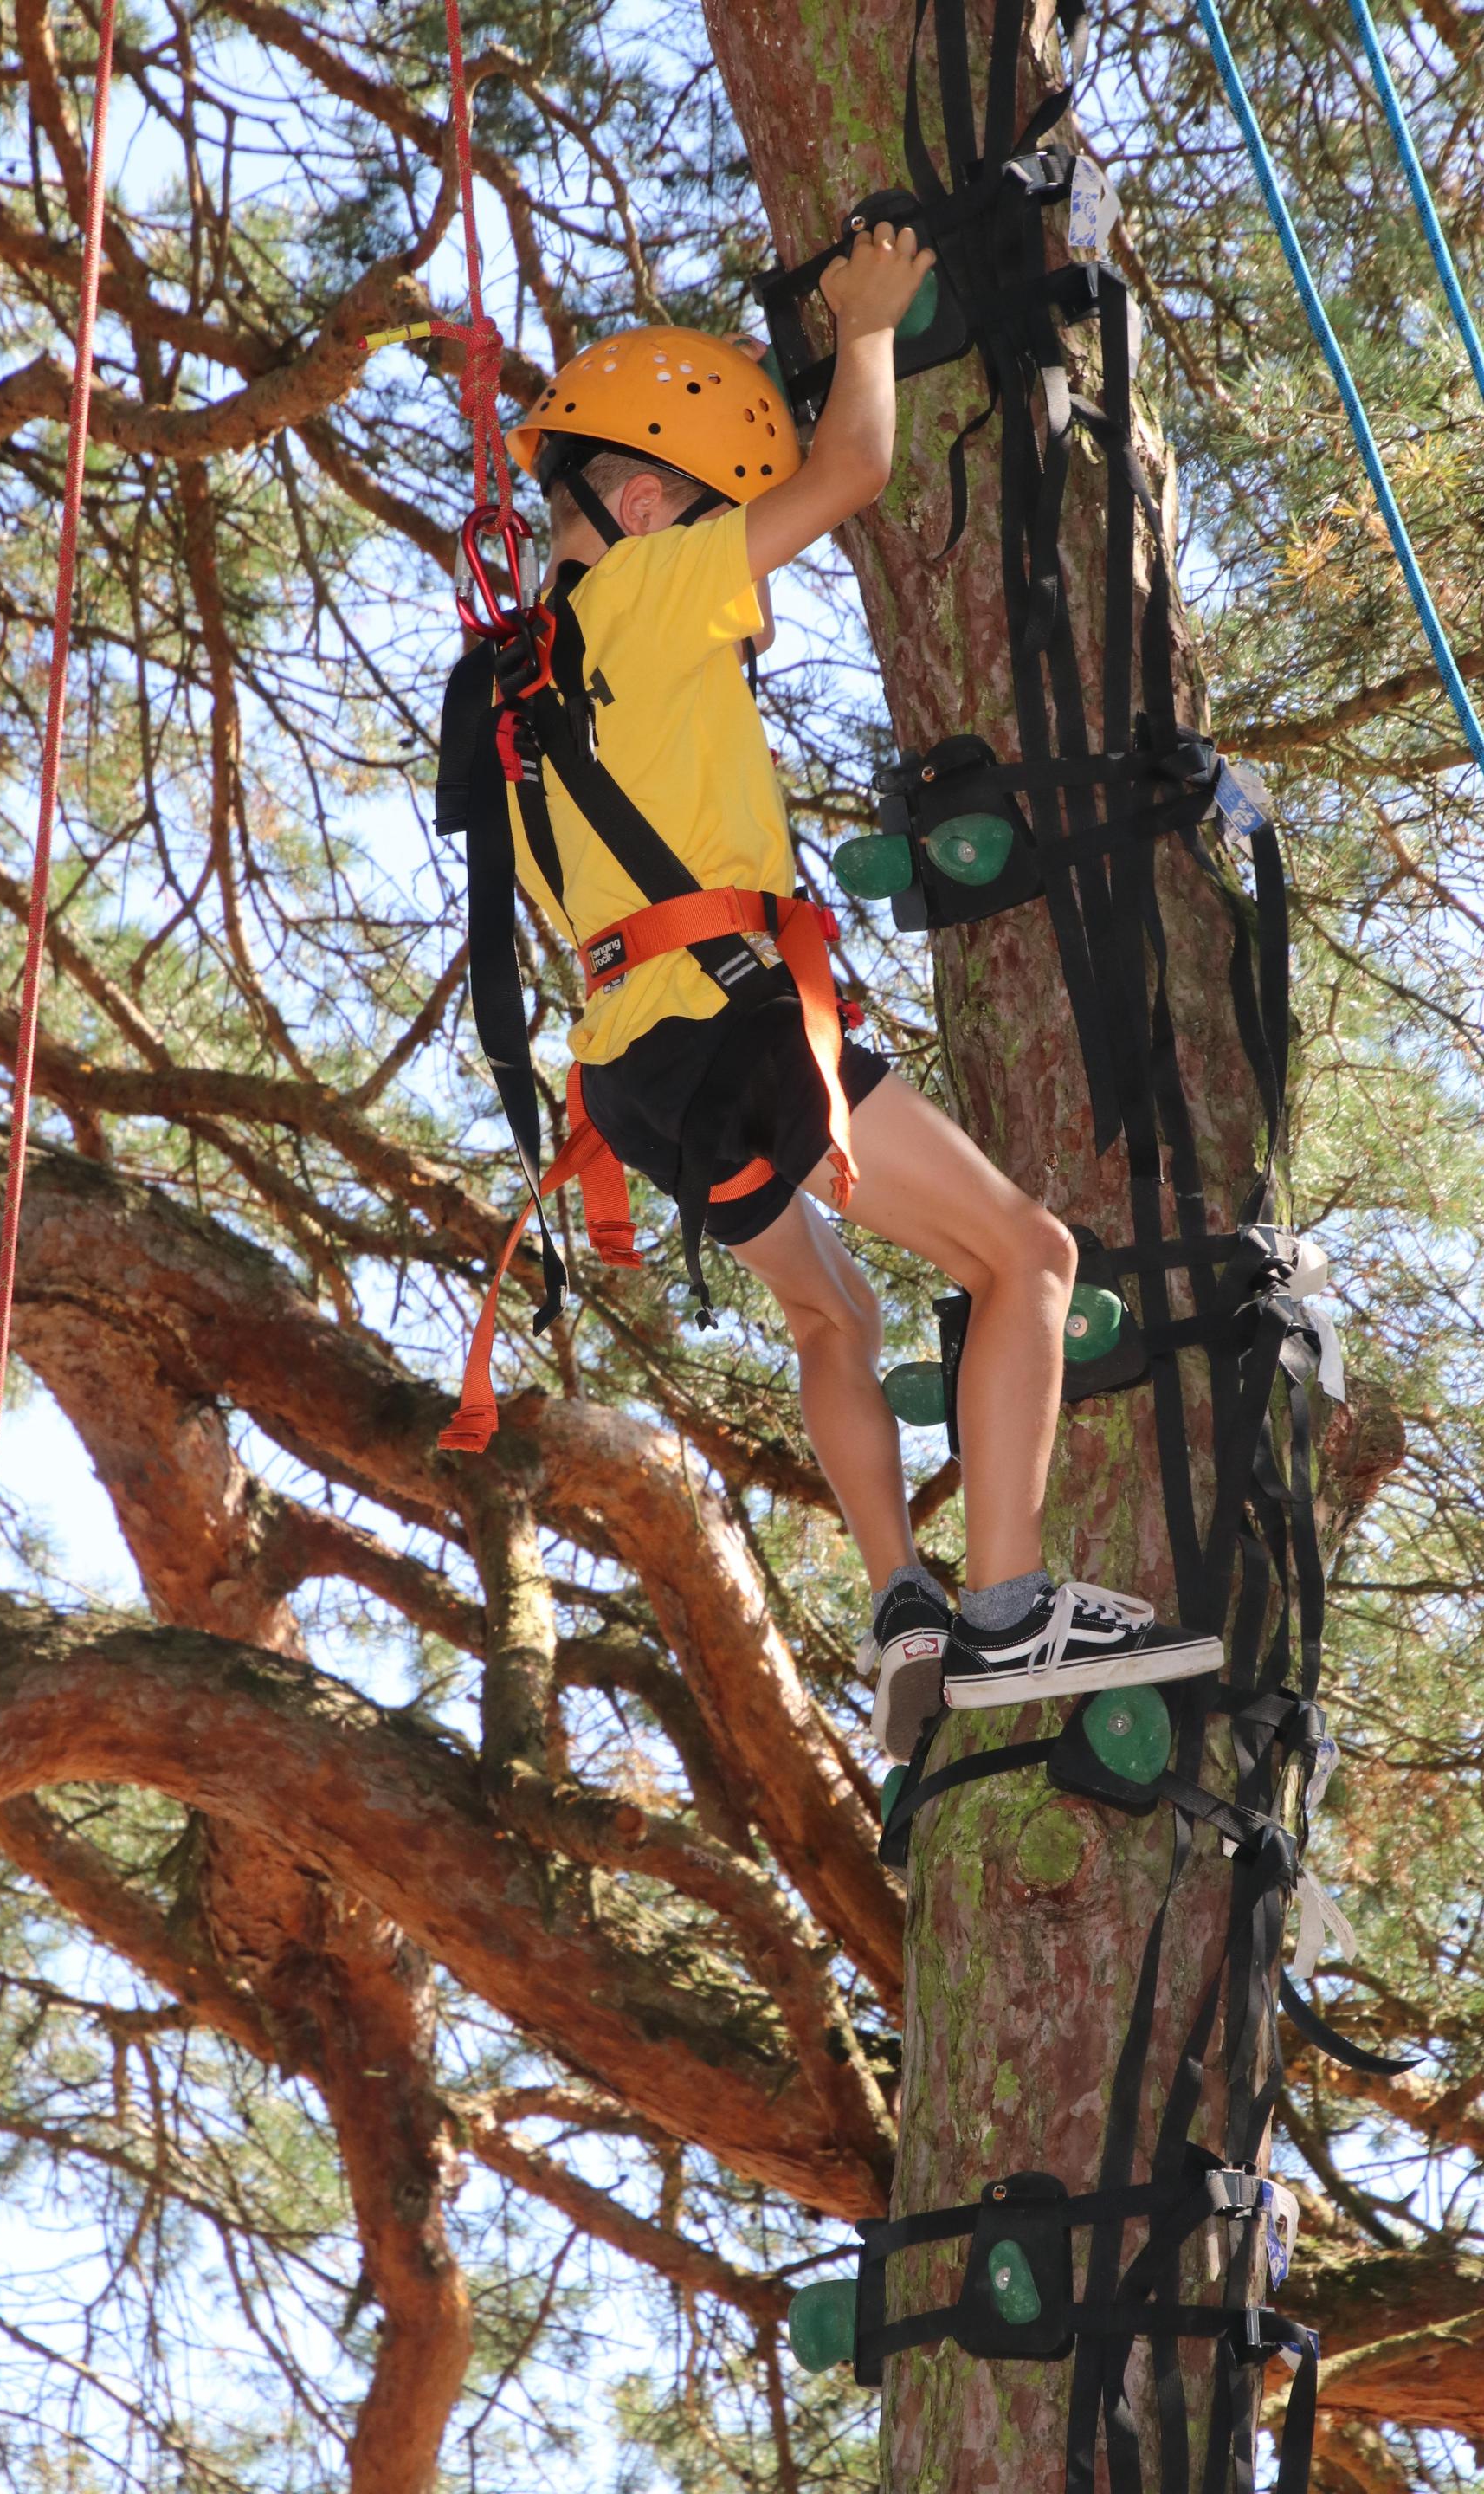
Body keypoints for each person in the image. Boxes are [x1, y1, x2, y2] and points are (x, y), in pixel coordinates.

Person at [471, 222, 1222, 1756]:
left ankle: (902, 1608)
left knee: (833, 1316)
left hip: (635, 1076)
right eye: (704, 512)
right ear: (642, 500)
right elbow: (853, 473)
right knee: (1026, 1259)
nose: (731, 559)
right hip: (735, 1024)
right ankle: (1007, 1613)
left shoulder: (509, 695)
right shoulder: (643, 594)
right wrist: (869, 324)